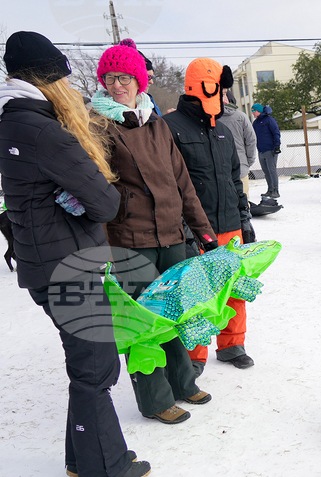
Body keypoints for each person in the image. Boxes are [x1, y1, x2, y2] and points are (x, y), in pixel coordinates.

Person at [0, 30, 149, 477]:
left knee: (86, 365)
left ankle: (81, 456)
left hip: (45, 264)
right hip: (69, 266)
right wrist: (92, 193)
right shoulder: (42, 129)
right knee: (95, 368)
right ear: (49, 79)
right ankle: (104, 468)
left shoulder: (14, 123)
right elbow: (106, 203)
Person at [91, 38, 219, 424]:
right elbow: (94, 187)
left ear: (139, 81)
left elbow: (183, 184)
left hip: (171, 236)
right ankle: (155, 399)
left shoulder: (157, 124)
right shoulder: (98, 126)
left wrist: (204, 232)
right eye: (111, 77)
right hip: (129, 242)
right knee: (143, 323)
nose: (118, 85)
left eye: (126, 77)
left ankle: (182, 382)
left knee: (174, 313)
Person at [166, 57, 256, 372]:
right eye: (219, 88)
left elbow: (235, 181)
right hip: (194, 228)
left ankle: (233, 345)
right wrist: (181, 229)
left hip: (229, 224)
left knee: (234, 290)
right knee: (195, 294)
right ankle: (194, 353)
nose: (223, 96)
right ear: (204, 86)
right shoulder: (170, 128)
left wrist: (244, 220)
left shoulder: (223, 131)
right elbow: (169, 186)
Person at [250, 103, 281, 199]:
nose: (253, 113)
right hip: (261, 150)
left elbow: (276, 132)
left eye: (254, 111)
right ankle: (270, 189)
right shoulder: (255, 123)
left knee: (272, 170)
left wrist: (277, 145)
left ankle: (275, 190)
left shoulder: (269, 120)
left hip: (270, 149)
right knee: (266, 170)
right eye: (252, 111)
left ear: (258, 111)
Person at [137, 51, 162, 116]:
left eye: (152, 77)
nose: (151, 81)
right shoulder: (129, 103)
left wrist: (165, 121)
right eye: (148, 77)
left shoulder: (147, 99)